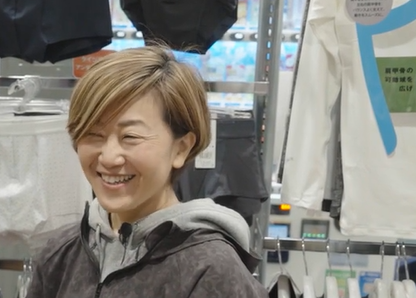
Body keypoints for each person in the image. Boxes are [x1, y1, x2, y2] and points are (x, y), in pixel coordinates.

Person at [28, 45, 268, 297]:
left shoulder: (210, 269)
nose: (109, 157)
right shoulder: (60, 255)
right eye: (93, 134)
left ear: (181, 148)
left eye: (130, 136)